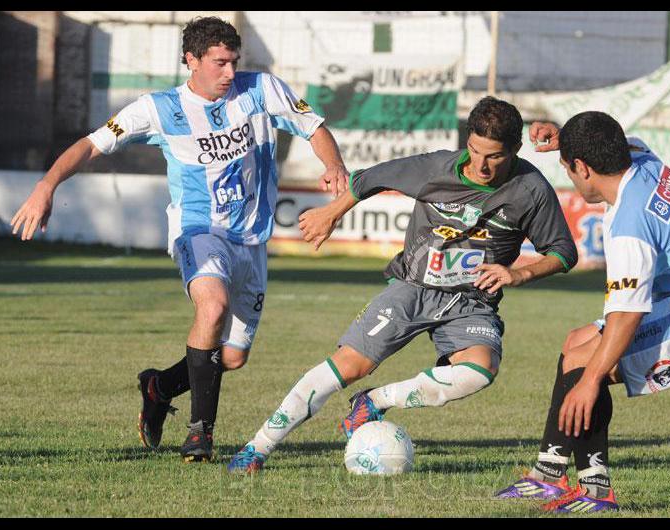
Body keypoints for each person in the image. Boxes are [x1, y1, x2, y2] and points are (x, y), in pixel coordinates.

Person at [9, 17, 349, 462]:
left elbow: (313, 126)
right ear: (191, 60)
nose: (230, 72)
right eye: (219, 63)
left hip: (251, 240)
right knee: (213, 305)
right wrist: (46, 185)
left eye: (234, 62)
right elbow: (91, 145)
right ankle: (199, 434)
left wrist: (334, 165)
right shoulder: (159, 108)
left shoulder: (262, 89)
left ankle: (159, 386)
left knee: (229, 358)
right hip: (198, 229)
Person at [226, 96, 579, 474]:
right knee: (348, 366)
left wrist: (521, 273)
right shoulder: (434, 168)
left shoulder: (530, 189)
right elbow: (369, 179)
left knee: (479, 371)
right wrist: (330, 214)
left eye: (493, 156)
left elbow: (563, 252)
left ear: (515, 150)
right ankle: (257, 448)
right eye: (474, 151)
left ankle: (376, 401)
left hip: (472, 302)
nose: (481, 165)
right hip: (412, 289)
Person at [495, 111, 670, 512]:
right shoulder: (640, 158)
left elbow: (627, 314)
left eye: (569, 168)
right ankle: (548, 475)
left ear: (582, 167)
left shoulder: (628, 224)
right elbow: (611, 140)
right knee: (575, 343)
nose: (570, 175)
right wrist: (566, 139)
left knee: (584, 366)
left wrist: (592, 379)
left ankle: (595, 490)